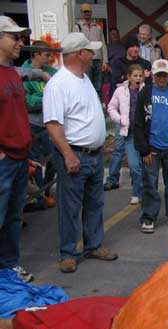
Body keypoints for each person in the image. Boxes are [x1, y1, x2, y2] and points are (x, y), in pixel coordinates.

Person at [43, 32, 118, 273]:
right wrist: (68, 154)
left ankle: (93, 245)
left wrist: (99, 141)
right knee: (70, 207)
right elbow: (53, 125)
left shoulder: (84, 79)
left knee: (95, 203)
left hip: (92, 154)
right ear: (78, 54)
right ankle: (68, 252)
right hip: (76, 154)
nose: (93, 55)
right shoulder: (59, 85)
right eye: (89, 52)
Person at [134, 59, 168, 233]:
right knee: (150, 184)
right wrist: (143, 149)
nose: (162, 78)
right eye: (158, 75)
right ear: (153, 76)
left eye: (164, 75)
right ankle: (149, 217)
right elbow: (139, 122)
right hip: (152, 147)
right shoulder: (145, 93)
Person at [0, 16, 34, 282]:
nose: (20, 43)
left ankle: (8, 266)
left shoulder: (12, 72)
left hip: (20, 156)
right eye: (15, 37)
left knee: (13, 217)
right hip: (4, 159)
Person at [21, 40, 57, 206]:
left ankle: (46, 189)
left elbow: (60, 94)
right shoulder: (22, 72)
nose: (50, 58)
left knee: (54, 158)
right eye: (47, 55)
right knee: (34, 161)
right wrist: (48, 98)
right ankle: (39, 195)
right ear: (35, 54)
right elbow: (27, 101)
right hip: (33, 125)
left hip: (51, 124)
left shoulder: (53, 72)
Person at [105, 64, 144, 204]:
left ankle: (144, 190)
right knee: (134, 165)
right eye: (135, 76)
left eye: (140, 75)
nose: (138, 78)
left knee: (144, 165)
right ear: (129, 77)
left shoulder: (146, 90)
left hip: (145, 134)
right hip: (129, 133)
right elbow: (111, 107)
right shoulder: (120, 91)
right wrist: (120, 119)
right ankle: (136, 193)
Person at [73, 3, 108, 100]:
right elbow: (76, 45)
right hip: (85, 60)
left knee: (98, 85)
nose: (87, 14)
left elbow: (103, 44)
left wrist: (105, 61)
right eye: (85, 12)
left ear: (91, 12)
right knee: (86, 83)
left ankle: (99, 105)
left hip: (97, 58)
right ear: (81, 13)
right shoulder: (77, 27)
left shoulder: (98, 27)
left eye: (88, 11)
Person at [107, 27, 126, 98]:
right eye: (113, 34)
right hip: (112, 72)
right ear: (109, 36)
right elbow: (105, 62)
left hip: (124, 70)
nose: (115, 36)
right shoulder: (107, 47)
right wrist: (113, 72)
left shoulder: (124, 46)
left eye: (116, 34)